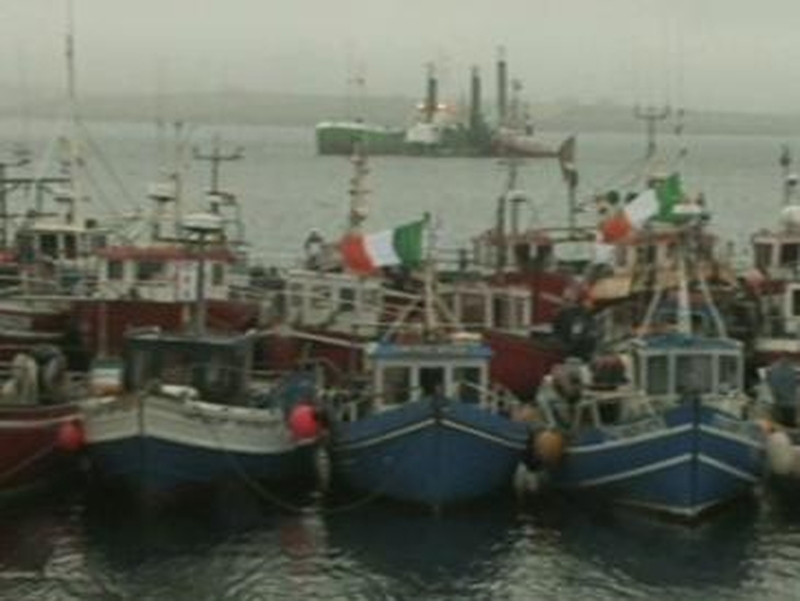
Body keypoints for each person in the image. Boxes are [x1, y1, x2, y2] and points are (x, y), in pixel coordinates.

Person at [766, 356, 799, 427]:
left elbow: (772, 385)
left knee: (780, 425)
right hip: (791, 403)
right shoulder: (791, 371)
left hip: (780, 402)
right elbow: (794, 385)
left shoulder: (774, 372)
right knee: (790, 424)